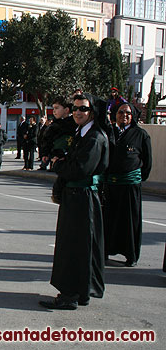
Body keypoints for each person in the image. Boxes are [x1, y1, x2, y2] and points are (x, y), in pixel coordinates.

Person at [40, 93, 109, 310]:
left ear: (92, 112)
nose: (79, 112)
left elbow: (79, 170)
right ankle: (77, 291)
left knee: (75, 247)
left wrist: (57, 164)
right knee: (77, 246)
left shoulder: (95, 137)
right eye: (76, 108)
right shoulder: (82, 134)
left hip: (83, 198)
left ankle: (71, 294)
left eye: (84, 109)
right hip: (76, 197)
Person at [103, 102, 152, 267]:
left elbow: (147, 163)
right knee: (109, 220)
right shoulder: (109, 132)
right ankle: (106, 251)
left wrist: (135, 177)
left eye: (128, 113)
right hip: (111, 185)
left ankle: (131, 255)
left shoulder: (140, 135)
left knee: (130, 222)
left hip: (130, 186)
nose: (124, 115)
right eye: (121, 112)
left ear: (133, 116)